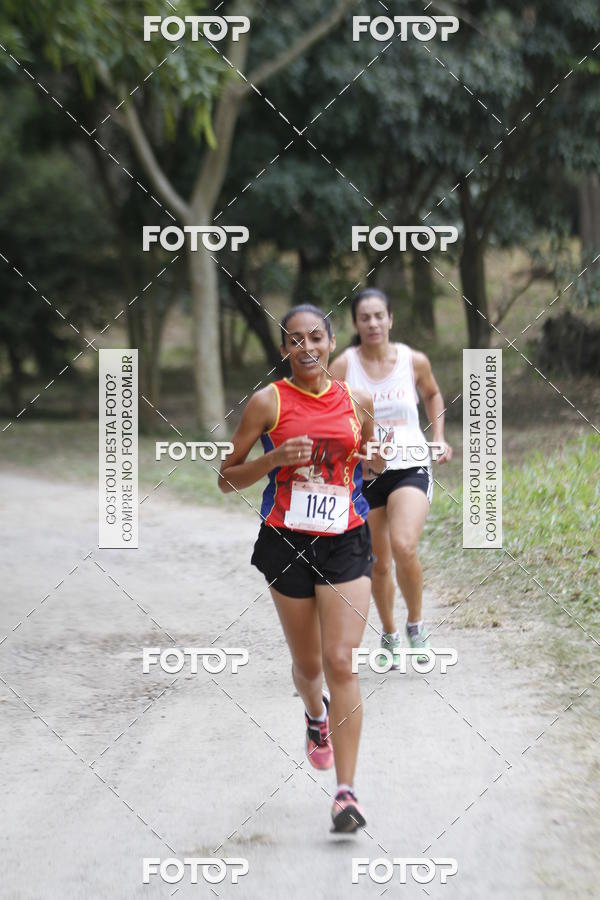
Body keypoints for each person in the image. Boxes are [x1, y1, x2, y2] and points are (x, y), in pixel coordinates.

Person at [219, 303, 384, 832]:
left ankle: (346, 793)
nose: (307, 348)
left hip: (346, 538)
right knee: (310, 668)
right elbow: (227, 478)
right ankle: (316, 716)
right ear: (284, 349)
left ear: (332, 343)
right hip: (286, 539)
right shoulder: (267, 401)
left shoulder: (358, 401)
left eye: (316, 337)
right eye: (295, 340)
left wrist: (371, 461)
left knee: (342, 661)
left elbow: (377, 460)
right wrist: (273, 459)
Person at [329, 288, 452, 667]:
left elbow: (432, 394)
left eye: (379, 315)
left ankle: (416, 623)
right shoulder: (343, 365)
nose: (373, 323)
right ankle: (390, 633)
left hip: (410, 466)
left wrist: (439, 438)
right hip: (366, 474)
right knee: (379, 562)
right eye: (365, 318)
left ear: (390, 319)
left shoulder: (413, 360)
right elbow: (328, 413)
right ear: (355, 324)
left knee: (404, 546)